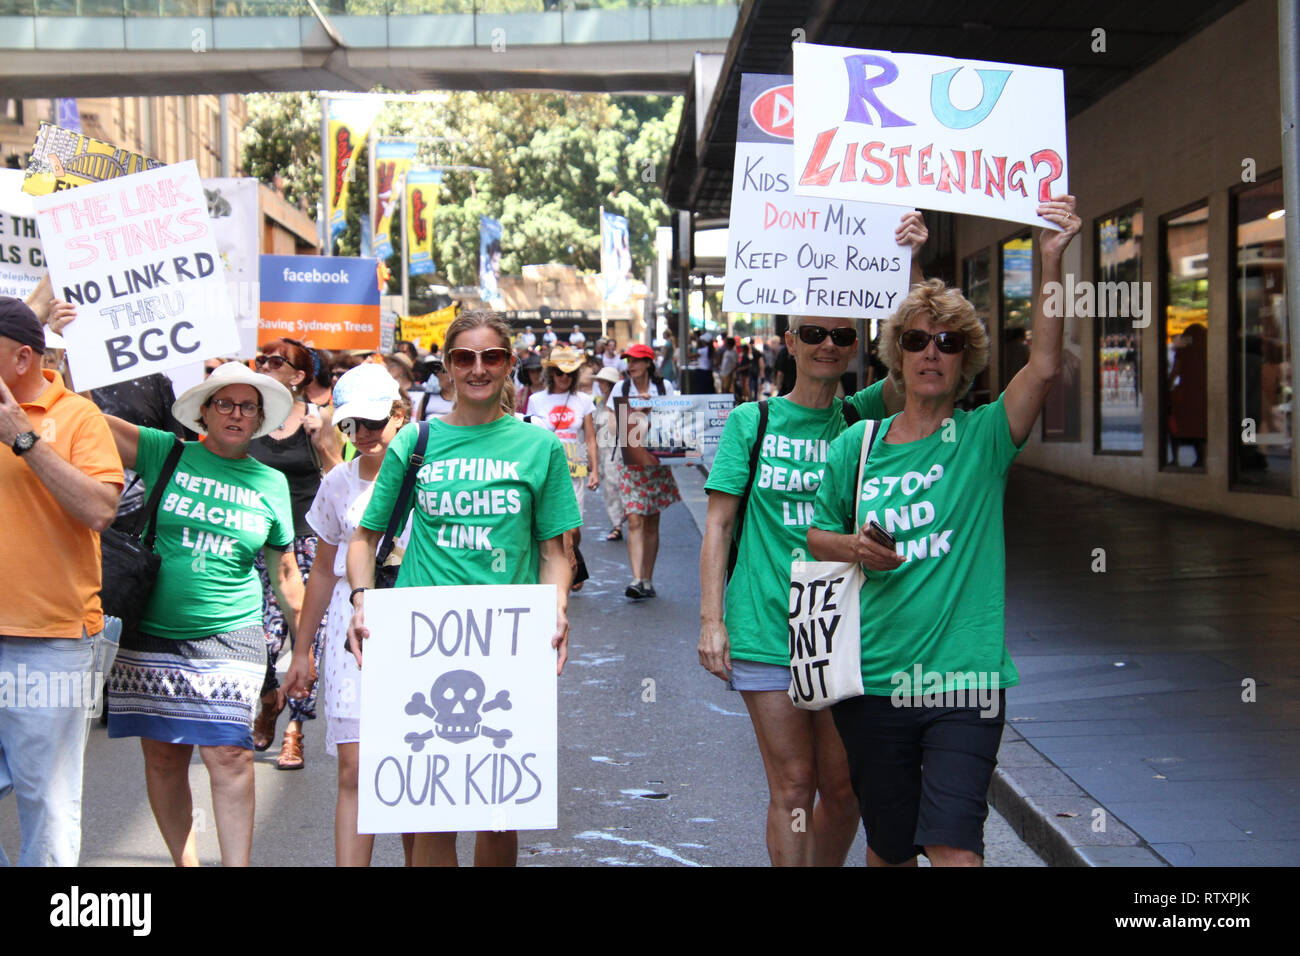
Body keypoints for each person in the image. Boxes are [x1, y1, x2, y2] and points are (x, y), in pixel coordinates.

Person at [807, 196, 1081, 868]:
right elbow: (815, 537)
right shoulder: (858, 444)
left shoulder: (983, 437)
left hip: (964, 681)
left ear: (966, 362)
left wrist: (1051, 258)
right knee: (891, 851)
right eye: (917, 340)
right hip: (873, 682)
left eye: (950, 343)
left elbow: (1044, 368)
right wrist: (856, 549)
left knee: (955, 850)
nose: (933, 353)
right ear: (896, 357)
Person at [698, 210, 926, 866]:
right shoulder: (753, 420)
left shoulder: (863, 417)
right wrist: (712, 621)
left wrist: (911, 263)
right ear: (790, 342)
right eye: (815, 334)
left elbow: (929, 354)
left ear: (856, 345)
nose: (829, 344)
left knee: (846, 788)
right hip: (766, 623)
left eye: (842, 335)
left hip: (844, 628)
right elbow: (718, 524)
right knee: (794, 785)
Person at [344, 309, 580, 866]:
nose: (478, 369)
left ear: (509, 364)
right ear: (447, 366)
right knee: (432, 812)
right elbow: (363, 540)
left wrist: (557, 609)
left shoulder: (538, 447)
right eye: (464, 358)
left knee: (497, 812)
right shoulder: (416, 442)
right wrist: (360, 602)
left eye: (491, 357)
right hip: (420, 643)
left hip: (509, 643)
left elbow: (554, 551)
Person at [102, 361, 305, 866]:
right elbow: (86, 419)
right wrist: (57, 351)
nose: (236, 414)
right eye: (225, 404)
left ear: (259, 419)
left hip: (231, 633)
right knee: (165, 757)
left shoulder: (270, 482)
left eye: (248, 407)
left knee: (230, 755)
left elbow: (285, 573)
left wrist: (303, 648)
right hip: (150, 631)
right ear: (202, 413)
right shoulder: (162, 450)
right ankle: (185, 863)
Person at [0, 297, 122, 866]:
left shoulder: (76, 416)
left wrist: (24, 440)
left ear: (24, 356)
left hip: (52, 643)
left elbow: (100, 509)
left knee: (46, 803)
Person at [282, 363, 418, 865]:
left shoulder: (430, 475)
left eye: (374, 422)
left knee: (412, 764)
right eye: (351, 425)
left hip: (418, 625)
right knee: (354, 767)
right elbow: (320, 571)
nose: (362, 434)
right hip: (349, 625)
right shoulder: (339, 482)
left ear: (401, 416)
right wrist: (301, 651)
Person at [246, 338, 339, 769]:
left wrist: (322, 442)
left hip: (305, 539)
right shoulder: (249, 417)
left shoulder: (320, 418)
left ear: (298, 376)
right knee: (260, 639)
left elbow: (340, 474)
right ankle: (269, 699)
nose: (263, 365)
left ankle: (294, 732)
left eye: (274, 361)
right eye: (260, 359)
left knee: (308, 639)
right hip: (254, 543)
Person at [527, 347, 600, 591]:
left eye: (569, 373)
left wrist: (595, 471)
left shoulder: (584, 401)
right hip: (545, 468)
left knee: (573, 528)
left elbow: (590, 438)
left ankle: (572, 554)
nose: (564, 377)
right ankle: (563, 568)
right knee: (551, 525)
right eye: (559, 372)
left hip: (575, 469)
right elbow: (529, 436)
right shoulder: (536, 400)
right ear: (550, 373)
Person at [610, 343, 679, 599]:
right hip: (630, 461)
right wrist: (634, 413)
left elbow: (675, 420)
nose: (631, 365)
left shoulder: (664, 388)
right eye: (629, 360)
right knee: (635, 517)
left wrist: (655, 409)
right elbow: (612, 425)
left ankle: (647, 579)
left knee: (652, 521)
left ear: (649, 363)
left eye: (637, 360)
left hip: (656, 459)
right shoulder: (621, 388)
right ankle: (637, 578)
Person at [591, 366, 626, 541]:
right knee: (609, 488)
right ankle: (617, 523)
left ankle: (621, 517)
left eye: (602, 381)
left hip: (618, 448)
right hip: (603, 450)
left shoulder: (621, 402)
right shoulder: (599, 404)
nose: (599, 384)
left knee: (616, 484)